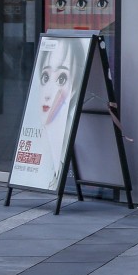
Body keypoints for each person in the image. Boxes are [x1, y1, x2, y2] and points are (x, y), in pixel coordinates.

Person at [37, 38, 87, 191]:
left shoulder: (63, 136)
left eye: (61, 78)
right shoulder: (36, 141)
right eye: (45, 77)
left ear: (74, 89)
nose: (48, 94)